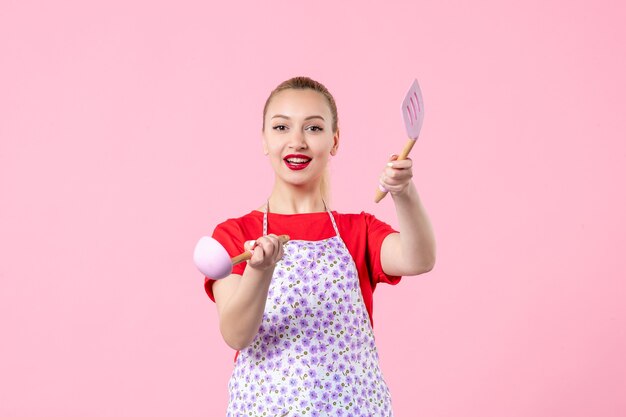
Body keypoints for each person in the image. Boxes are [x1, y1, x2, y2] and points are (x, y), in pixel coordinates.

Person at [203, 76, 436, 417]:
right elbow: (237, 335)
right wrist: (259, 270)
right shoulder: (237, 234)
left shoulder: (359, 231)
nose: (296, 141)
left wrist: (404, 192)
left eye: (313, 129)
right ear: (265, 140)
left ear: (334, 141)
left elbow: (420, 258)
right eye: (281, 127)